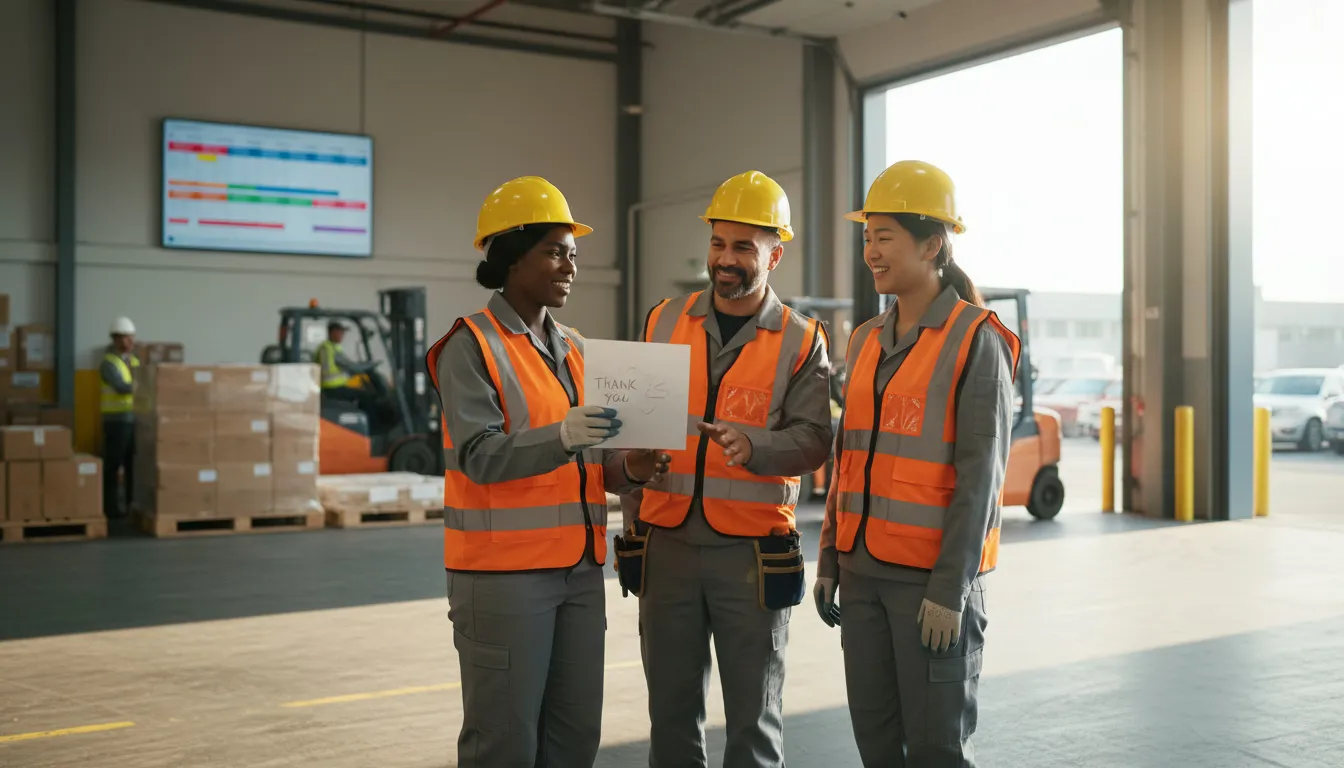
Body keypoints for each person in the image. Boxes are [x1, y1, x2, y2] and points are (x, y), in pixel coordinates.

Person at [425, 175, 669, 768]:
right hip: (504, 577)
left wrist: (630, 466)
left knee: (574, 737)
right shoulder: (470, 346)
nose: (570, 267)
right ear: (510, 257)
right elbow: (478, 456)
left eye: (575, 255)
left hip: (580, 573)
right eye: (555, 252)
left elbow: (598, 466)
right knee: (504, 742)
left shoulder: (579, 349)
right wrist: (561, 436)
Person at [814, 160, 1021, 767]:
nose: (871, 252)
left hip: (930, 584)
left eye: (885, 237)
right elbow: (850, 461)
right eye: (867, 237)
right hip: (862, 574)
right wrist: (829, 558)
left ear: (932, 244)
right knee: (876, 745)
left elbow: (981, 479)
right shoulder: (867, 339)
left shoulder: (974, 338)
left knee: (936, 751)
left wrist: (951, 588)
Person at [623, 170, 833, 767]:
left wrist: (756, 447)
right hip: (666, 547)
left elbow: (816, 439)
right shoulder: (663, 320)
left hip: (749, 554)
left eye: (744, 246)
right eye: (719, 243)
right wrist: (633, 486)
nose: (726, 259)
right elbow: (634, 428)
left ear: (775, 252)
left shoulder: (800, 338)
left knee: (753, 719)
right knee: (669, 715)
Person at [100, 317, 140, 519]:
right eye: (126, 338)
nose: (131, 342)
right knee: (113, 466)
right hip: (116, 422)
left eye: (132, 337)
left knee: (132, 465)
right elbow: (121, 387)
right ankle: (111, 508)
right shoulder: (109, 363)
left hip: (133, 421)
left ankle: (132, 504)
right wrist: (141, 387)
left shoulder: (133, 361)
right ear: (116, 339)